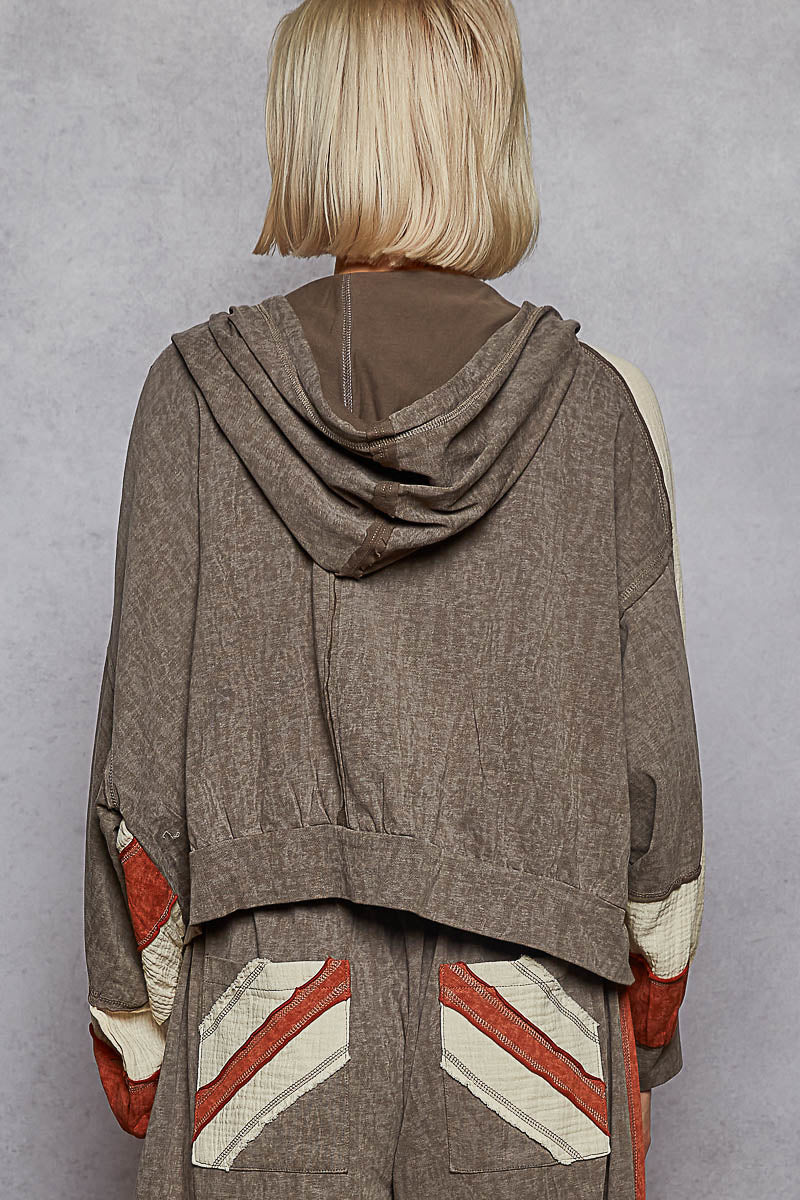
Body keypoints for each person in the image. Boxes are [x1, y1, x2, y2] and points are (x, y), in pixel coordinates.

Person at [82, 2, 704, 1197]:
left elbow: (138, 780)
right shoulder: (598, 410)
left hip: (268, 1015)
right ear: (488, 131)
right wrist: (646, 1017)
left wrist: (137, 1027)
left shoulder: (193, 400)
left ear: (307, 131)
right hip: (534, 1015)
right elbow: (655, 779)